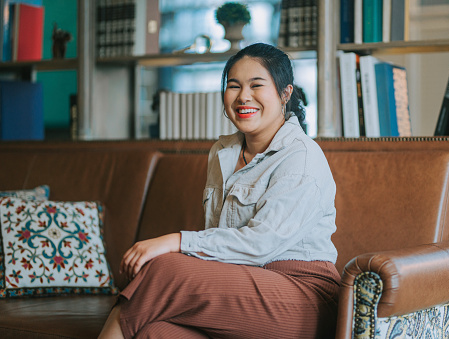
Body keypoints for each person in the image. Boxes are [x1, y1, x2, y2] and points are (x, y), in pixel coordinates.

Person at [99, 42, 340, 339]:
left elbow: (260, 244)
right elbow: (219, 241)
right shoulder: (222, 152)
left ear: (284, 94)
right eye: (234, 86)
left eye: (256, 85)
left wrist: (175, 241)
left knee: (164, 270)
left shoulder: (301, 156)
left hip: (304, 296)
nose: (243, 96)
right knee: (156, 332)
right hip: (241, 284)